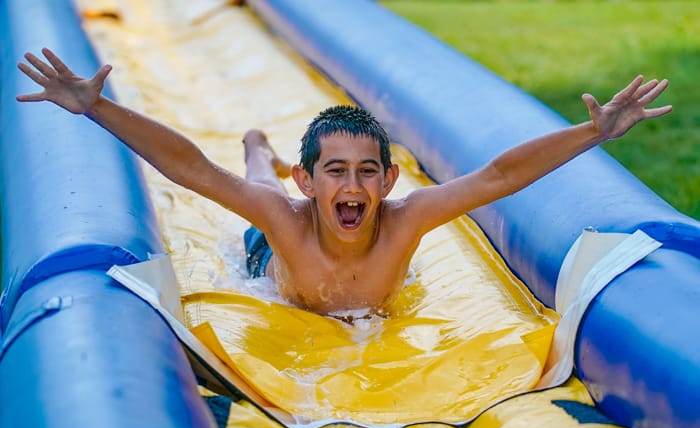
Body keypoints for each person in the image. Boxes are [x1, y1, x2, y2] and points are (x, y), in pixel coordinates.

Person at [17, 48, 672, 316]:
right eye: (335, 172)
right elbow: (191, 170)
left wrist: (594, 132)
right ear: (310, 182)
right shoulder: (286, 214)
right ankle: (259, 148)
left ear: (388, 181)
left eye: (367, 172)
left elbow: (499, 175)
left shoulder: (408, 216)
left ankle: (261, 152)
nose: (352, 186)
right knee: (249, 187)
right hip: (264, 252)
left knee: (259, 190)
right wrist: (97, 106)